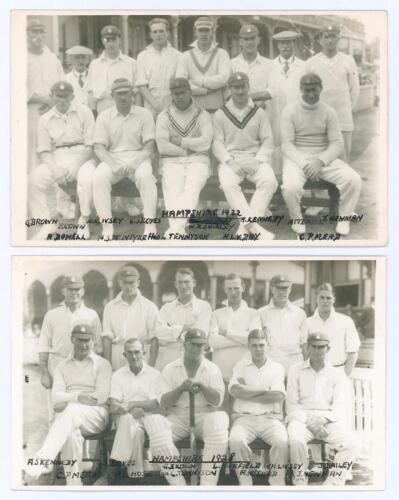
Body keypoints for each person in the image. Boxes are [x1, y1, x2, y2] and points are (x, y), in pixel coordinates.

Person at [24, 323, 112, 485]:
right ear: (72, 339)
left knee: (71, 410)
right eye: (80, 340)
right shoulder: (62, 366)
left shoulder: (102, 364)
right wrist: (78, 397)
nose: (84, 344)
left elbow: (100, 396)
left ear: (93, 341)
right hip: (70, 417)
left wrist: (70, 399)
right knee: (71, 435)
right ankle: (74, 485)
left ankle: (42, 459)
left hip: (97, 416)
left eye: (88, 340)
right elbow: (56, 397)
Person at [143, 328, 229, 486]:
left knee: (220, 420)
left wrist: (202, 385)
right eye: (194, 344)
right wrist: (181, 388)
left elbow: (217, 400)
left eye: (201, 345)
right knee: (154, 423)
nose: (198, 349)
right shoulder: (170, 368)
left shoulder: (212, 368)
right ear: (184, 344)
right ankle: (179, 486)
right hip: (178, 416)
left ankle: (207, 486)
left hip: (205, 415)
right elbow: (164, 403)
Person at [280, 73, 362, 236]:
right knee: (290, 187)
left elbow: (337, 143)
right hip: (297, 159)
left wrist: (320, 161)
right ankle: (296, 219)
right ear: (301, 89)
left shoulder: (329, 111)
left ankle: (344, 219)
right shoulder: (289, 111)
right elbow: (287, 144)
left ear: (321, 88)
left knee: (353, 179)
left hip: (323, 158)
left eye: (314, 90)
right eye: (307, 90)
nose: (310, 95)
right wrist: (305, 165)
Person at [286, 332, 359, 486]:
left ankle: (332, 484)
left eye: (322, 347)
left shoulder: (336, 374)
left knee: (352, 443)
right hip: (302, 419)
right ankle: (300, 480)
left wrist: (322, 420)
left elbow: (339, 406)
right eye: (314, 347)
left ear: (328, 348)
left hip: (327, 420)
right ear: (308, 347)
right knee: (295, 439)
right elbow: (291, 404)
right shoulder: (295, 370)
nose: (318, 351)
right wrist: (309, 422)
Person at [213, 72, 277, 240]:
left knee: (269, 181)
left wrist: (257, 161)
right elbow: (217, 143)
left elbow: (268, 140)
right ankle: (254, 228)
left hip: (255, 157)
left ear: (248, 87)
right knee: (228, 184)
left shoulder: (259, 112)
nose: (240, 92)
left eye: (243, 87)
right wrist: (230, 162)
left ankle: (244, 227)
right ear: (230, 89)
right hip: (231, 159)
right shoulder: (221, 113)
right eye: (236, 88)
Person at [29, 80, 96, 240]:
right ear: (51, 97)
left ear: (72, 96)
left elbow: (90, 145)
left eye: (65, 96)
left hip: (82, 156)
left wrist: (76, 166)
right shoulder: (45, 118)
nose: (61, 100)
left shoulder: (85, 112)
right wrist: (55, 169)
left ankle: (83, 220)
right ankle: (46, 223)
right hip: (57, 157)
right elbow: (44, 150)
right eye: (58, 96)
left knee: (87, 178)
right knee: (33, 180)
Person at [92, 78, 157, 240]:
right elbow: (98, 147)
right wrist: (112, 164)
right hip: (113, 158)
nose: (123, 98)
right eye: (118, 94)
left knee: (146, 176)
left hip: (139, 157)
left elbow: (149, 145)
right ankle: (107, 228)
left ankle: (150, 225)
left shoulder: (144, 114)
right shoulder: (104, 116)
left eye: (126, 93)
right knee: (99, 176)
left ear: (132, 94)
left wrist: (135, 163)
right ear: (112, 95)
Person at [38, 276, 102, 421]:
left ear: (83, 291)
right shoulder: (52, 315)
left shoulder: (91, 315)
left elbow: (98, 346)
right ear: (63, 291)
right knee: (57, 412)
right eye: (70, 289)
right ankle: (56, 442)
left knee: (81, 411)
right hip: (58, 366)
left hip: (84, 369)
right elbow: (43, 345)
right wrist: (44, 373)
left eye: (77, 289)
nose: (74, 293)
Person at [228, 329, 288, 486]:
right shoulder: (240, 366)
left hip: (270, 418)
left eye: (262, 345)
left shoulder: (276, 367)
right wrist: (264, 389)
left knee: (281, 441)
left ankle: (277, 483)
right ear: (248, 346)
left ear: (267, 345)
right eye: (254, 345)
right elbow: (235, 391)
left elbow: (277, 396)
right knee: (235, 440)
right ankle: (245, 482)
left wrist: (247, 391)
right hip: (245, 418)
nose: (258, 349)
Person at [156, 77, 213, 237]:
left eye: (183, 92)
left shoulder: (202, 114)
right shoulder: (164, 115)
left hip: (198, 160)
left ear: (189, 91)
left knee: (192, 187)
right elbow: (162, 146)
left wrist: (181, 141)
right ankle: (179, 229)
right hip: (172, 160)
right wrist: (186, 150)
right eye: (176, 93)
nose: (180, 96)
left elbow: (206, 142)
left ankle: (175, 229)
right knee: (173, 189)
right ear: (171, 94)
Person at [306, 25, 360, 162]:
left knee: (343, 157)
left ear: (338, 38)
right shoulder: (312, 62)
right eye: (326, 37)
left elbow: (354, 89)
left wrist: (347, 108)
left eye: (333, 36)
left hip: (343, 116)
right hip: (319, 117)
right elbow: (306, 91)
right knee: (320, 157)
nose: (330, 40)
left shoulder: (348, 60)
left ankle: (343, 183)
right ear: (320, 40)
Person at [109, 338, 160, 478]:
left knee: (132, 425)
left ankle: (116, 461)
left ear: (144, 353)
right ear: (124, 355)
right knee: (134, 430)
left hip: (147, 417)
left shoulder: (154, 374)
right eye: (130, 353)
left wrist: (132, 405)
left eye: (137, 352)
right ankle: (136, 475)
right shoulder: (118, 375)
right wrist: (131, 411)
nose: (134, 356)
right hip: (125, 417)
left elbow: (155, 404)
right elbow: (113, 405)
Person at [102, 266, 160, 370]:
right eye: (125, 282)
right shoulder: (110, 307)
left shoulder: (149, 306)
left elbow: (155, 339)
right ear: (120, 283)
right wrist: (108, 366)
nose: (128, 286)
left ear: (138, 282)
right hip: (118, 355)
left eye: (131, 282)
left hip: (140, 355)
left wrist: (151, 367)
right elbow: (107, 339)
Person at [155, 267, 212, 370]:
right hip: (170, 358)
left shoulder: (204, 307)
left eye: (187, 282)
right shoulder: (167, 308)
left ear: (194, 283)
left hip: (194, 358)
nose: (183, 286)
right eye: (180, 282)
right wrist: (183, 328)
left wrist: (173, 333)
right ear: (176, 284)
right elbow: (159, 333)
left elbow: (200, 333)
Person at [27, 18, 64, 170]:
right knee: (31, 154)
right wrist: (43, 99)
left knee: (53, 151)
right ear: (26, 34)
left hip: (52, 111)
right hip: (30, 112)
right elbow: (15, 88)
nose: (39, 35)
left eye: (41, 31)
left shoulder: (52, 58)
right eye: (34, 31)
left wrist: (53, 102)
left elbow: (62, 84)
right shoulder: (18, 57)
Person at [209, 273, 261, 380]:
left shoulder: (253, 314)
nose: (233, 292)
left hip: (244, 373)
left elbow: (255, 340)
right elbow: (212, 341)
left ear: (243, 288)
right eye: (229, 289)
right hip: (220, 372)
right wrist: (243, 340)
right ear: (224, 289)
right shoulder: (216, 314)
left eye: (236, 288)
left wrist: (227, 333)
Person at [176, 16, 231, 112]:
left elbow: (223, 79)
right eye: (201, 30)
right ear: (195, 32)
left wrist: (198, 80)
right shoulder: (185, 56)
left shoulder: (222, 54)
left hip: (217, 109)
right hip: (192, 110)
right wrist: (204, 91)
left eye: (207, 30)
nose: (204, 34)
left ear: (212, 32)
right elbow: (182, 83)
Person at [258, 274, 307, 374]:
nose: (281, 292)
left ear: (290, 289)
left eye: (285, 288)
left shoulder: (300, 313)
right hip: (272, 361)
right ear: (272, 289)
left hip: (295, 361)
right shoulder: (261, 313)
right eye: (278, 288)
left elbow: (304, 344)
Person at [86, 25, 138, 115]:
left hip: (126, 109)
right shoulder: (95, 64)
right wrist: (93, 113)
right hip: (102, 109)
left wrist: (137, 112)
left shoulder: (131, 63)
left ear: (120, 40)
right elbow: (90, 92)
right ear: (103, 41)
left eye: (114, 39)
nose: (111, 44)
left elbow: (137, 91)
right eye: (107, 40)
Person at [136, 18, 182, 117]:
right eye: (155, 32)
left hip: (173, 108)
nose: (158, 34)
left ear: (168, 33)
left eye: (161, 31)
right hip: (150, 110)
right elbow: (142, 86)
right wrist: (157, 107)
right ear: (150, 35)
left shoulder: (177, 56)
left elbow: (179, 84)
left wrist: (169, 108)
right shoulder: (142, 56)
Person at [267, 30, 306, 147]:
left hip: (298, 116)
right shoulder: (269, 66)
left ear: (293, 44)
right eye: (281, 43)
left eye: (288, 42)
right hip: (275, 116)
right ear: (277, 45)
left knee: (297, 148)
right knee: (276, 148)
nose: (285, 46)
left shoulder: (304, 66)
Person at [230, 24, 273, 110]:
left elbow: (272, 91)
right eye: (246, 39)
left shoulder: (270, 64)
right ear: (240, 41)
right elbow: (228, 92)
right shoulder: (232, 64)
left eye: (253, 38)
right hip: (238, 113)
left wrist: (244, 97)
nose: (250, 42)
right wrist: (251, 101)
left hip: (262, 112)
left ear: (258, 40)